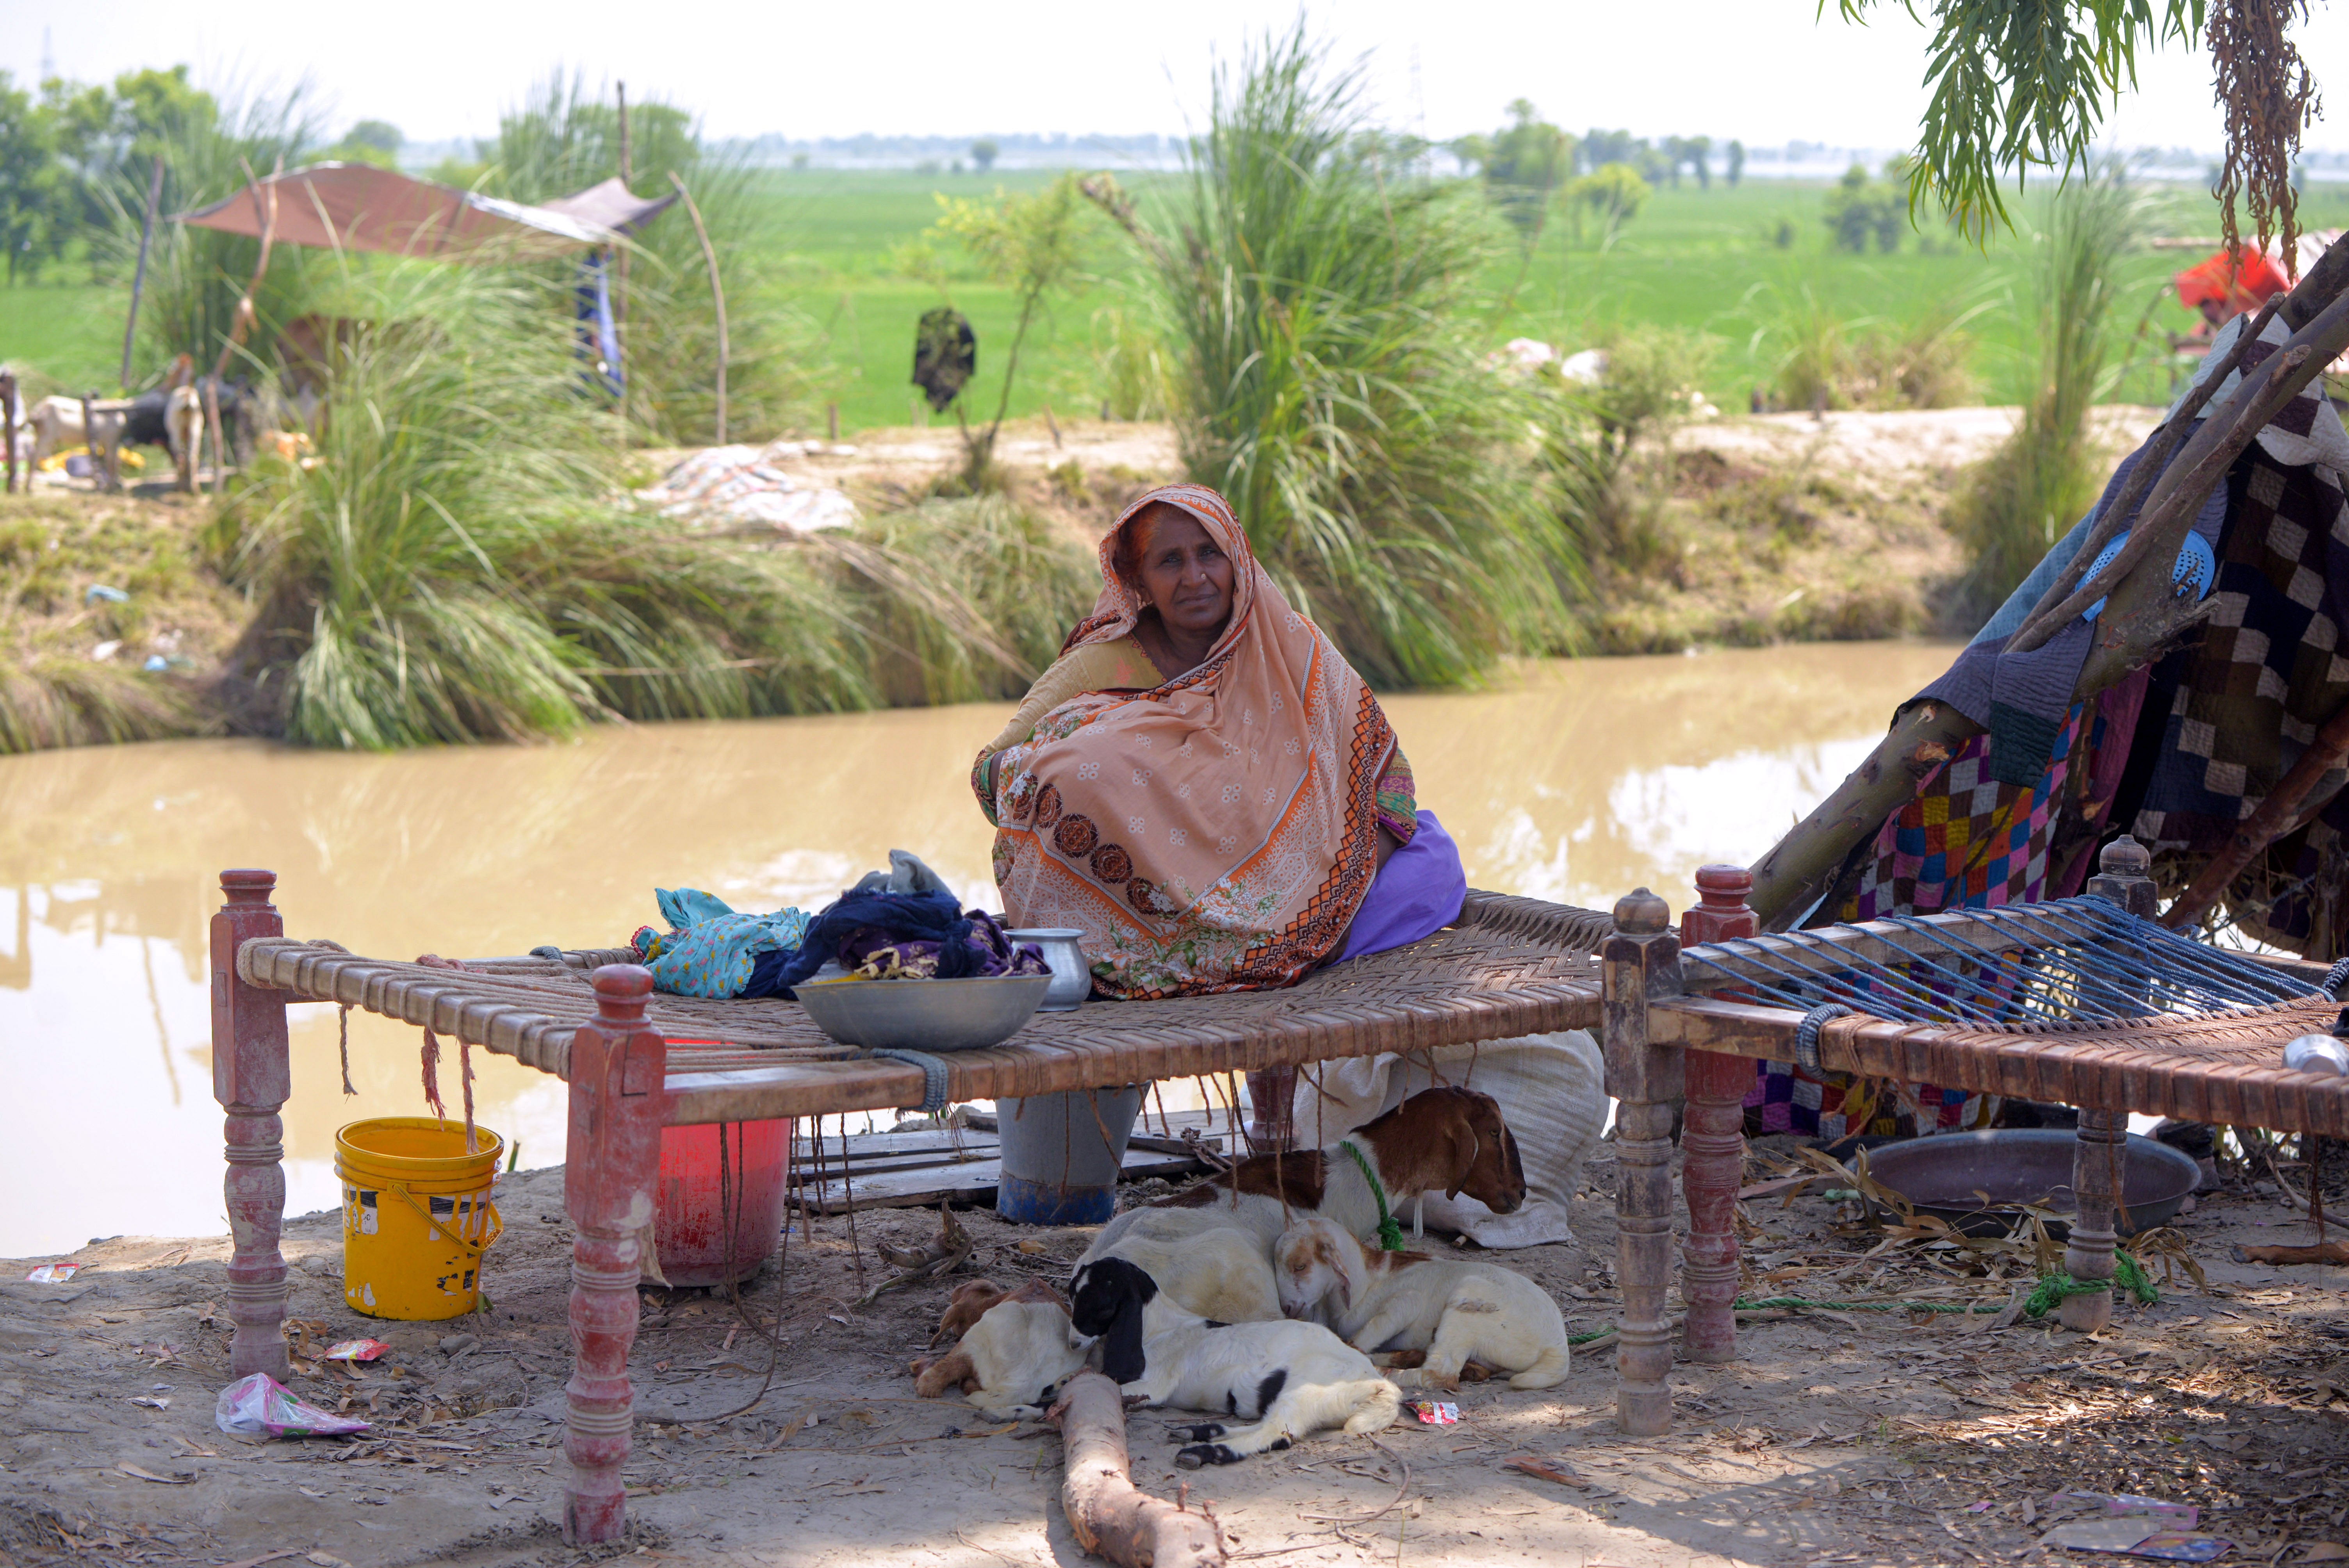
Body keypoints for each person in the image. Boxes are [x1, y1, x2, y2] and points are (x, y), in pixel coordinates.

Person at [971, 483, 1464, 1000]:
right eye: (1170, 561)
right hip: (1160, 910)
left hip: (1309, 882)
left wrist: (1326, 893)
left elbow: (1389, 783)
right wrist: (1110, 754)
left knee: (1433, 861)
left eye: (1210, 553)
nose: (1195, 578)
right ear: (1138, 579)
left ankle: (1288, 951)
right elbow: (990, 774)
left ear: (1238, 560)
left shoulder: (1291, 647)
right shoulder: (1100, 665)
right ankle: (1252, 957)